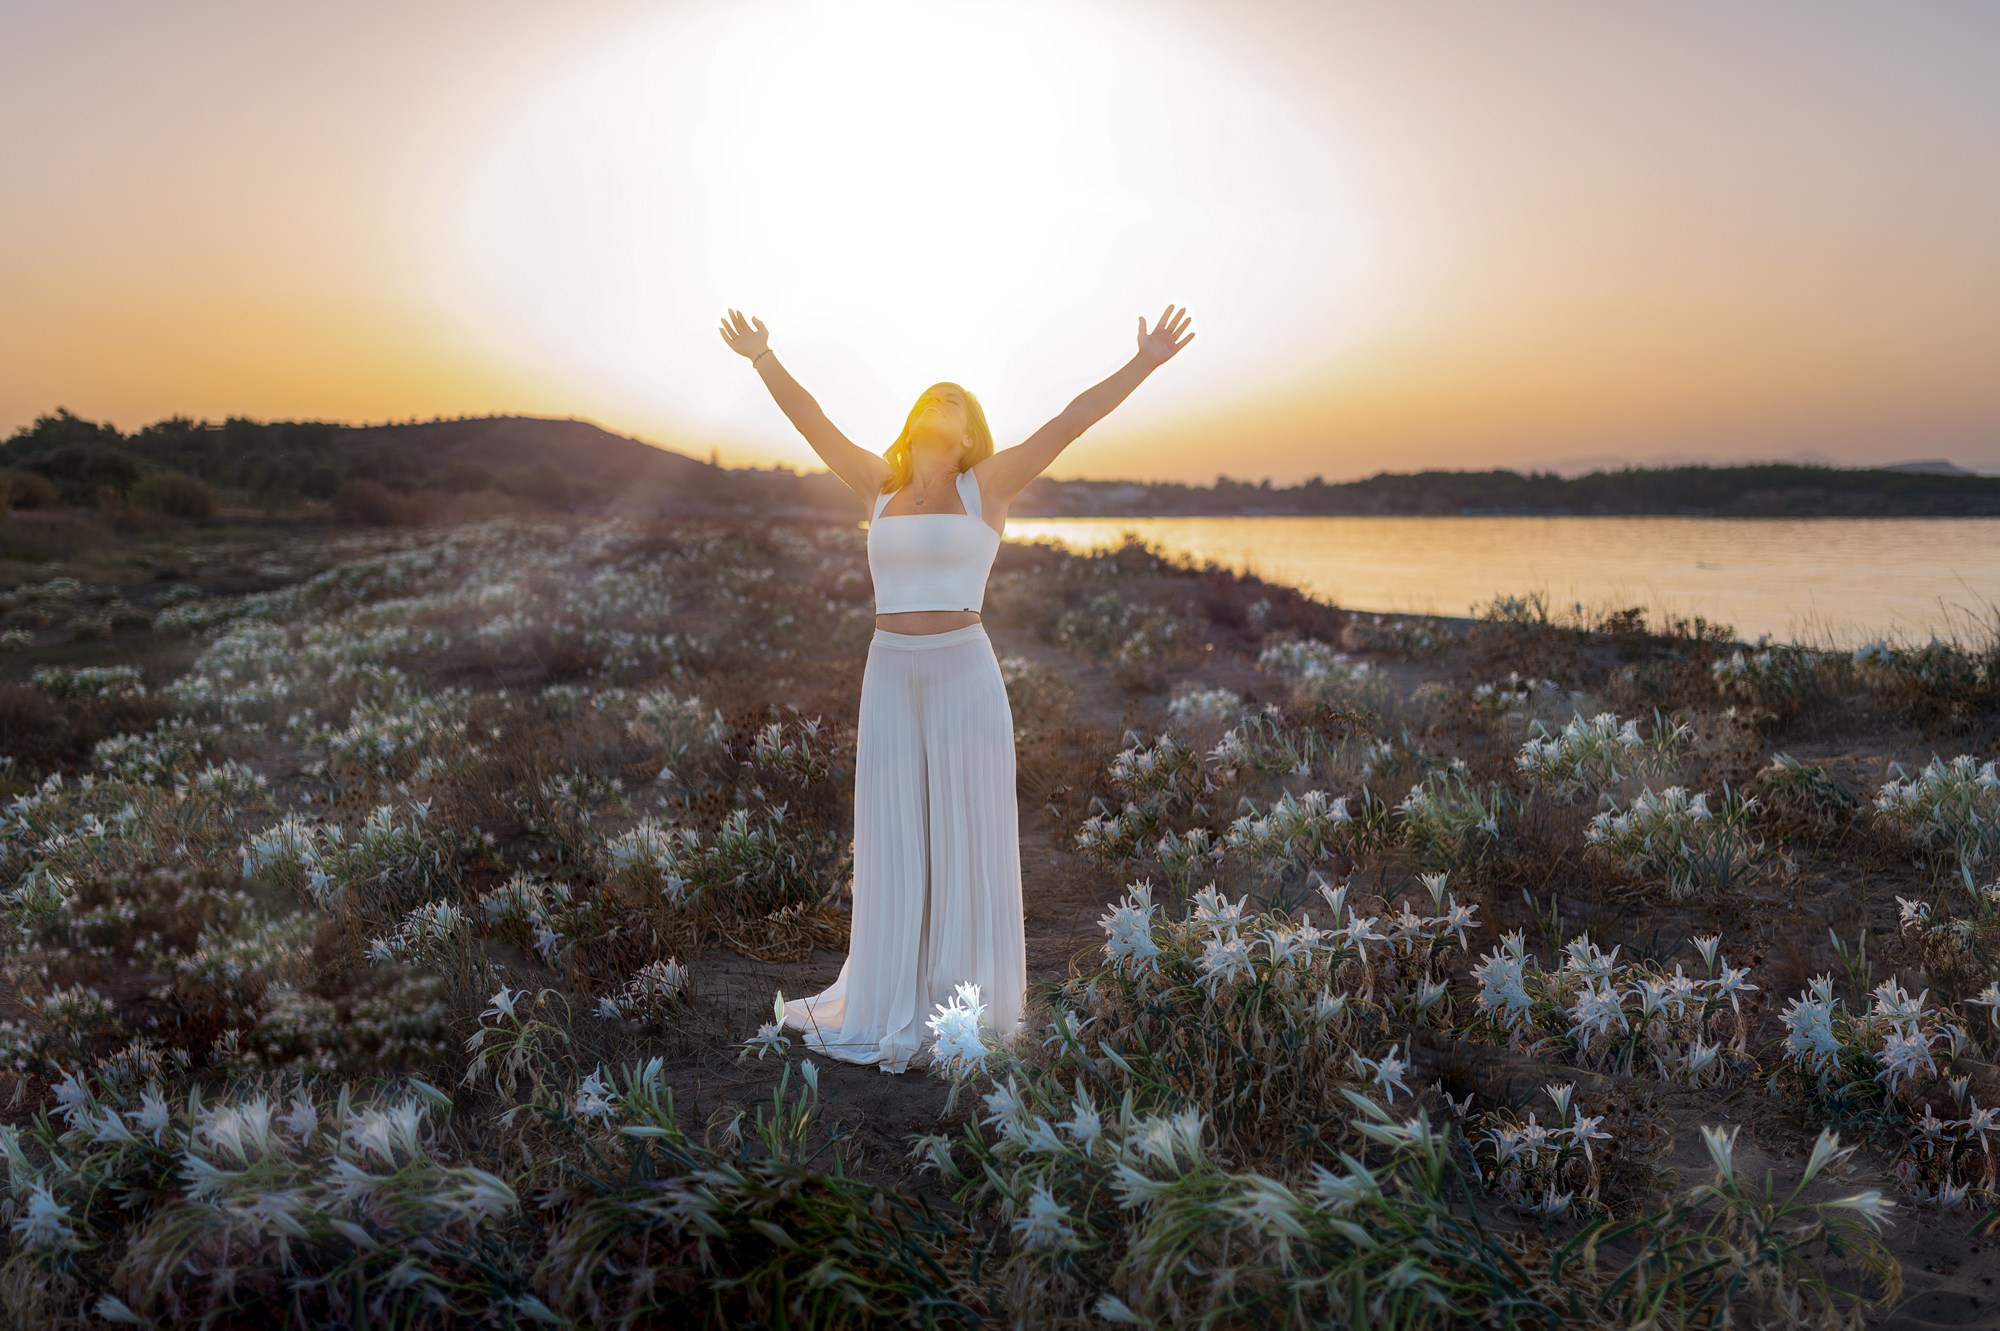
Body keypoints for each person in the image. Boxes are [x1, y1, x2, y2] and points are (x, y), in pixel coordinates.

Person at [718, 305, 1196, 1073]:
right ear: (912, 419)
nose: (943, 398)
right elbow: (811, 422)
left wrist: (1144, 362)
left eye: (957, 398)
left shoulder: (988, 485)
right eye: (932, 393)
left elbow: (1071, 420)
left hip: (963, 671)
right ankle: (888, 994)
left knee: (964, 838)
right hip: (890, 672)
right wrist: (763, 356)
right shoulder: (876, 482)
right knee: (896, 835)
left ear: (970, 432)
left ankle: (962, 1006)